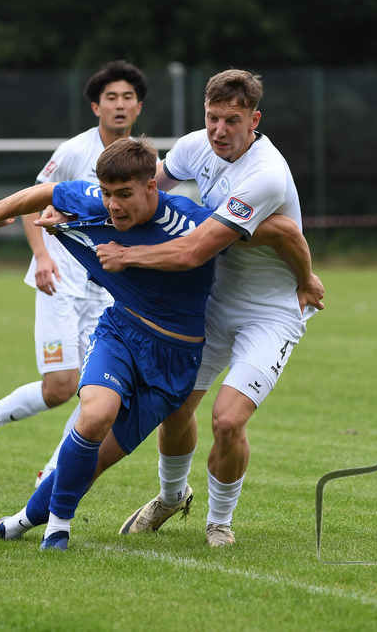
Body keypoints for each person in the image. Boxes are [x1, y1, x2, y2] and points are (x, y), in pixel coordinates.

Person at [0, 137, 316, 551]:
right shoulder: (100, 200)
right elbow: (49, 190)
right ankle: (40, 525)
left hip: (175, 359)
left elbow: (280, 229)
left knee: (99, 458)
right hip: (120, 332)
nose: (113, 205)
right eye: (106, 194)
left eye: (123, 195)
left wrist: (305, 278)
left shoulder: (193, 222)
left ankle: (209, 519)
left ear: (152, 187)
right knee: (94, 417)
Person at [97, 69, 324, 547]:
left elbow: (192, 251)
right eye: (212, 117)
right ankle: (171, 495)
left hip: (270, 313)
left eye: (232, 121)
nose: (219, 131)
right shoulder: (195, 145)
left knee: (227, 419)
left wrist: (126, 256)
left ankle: (219, 521)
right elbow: (141, 191)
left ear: (254, 120)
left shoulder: (265, 175)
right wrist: (77, 212)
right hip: (216, 302)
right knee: (174, 409)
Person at [0, 61, 148, 482]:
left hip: (106, 289)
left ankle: (52, 473)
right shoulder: (73, 151)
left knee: (96, 390)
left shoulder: (142, 159)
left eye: (128, 98)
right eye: (111, 98)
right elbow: (32, 201)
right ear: (96, 106)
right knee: (60, 387)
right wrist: (42, 258)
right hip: (60, 279)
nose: (120, 105)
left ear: (138, 107)